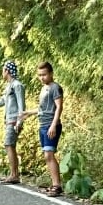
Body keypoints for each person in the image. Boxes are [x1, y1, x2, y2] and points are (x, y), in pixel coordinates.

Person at [19, 61, 64, 197]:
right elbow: (42, 109)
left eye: (44, 74)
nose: (42, 78)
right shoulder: (44, 88)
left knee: (49, 155)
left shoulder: (55, 88)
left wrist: (53, 125)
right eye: (39, 75)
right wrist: (29, 113)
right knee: (47, 156)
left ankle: (57, 185)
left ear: (50, 73)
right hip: (43, 124)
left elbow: (59, 107)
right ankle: (54, 184)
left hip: (51, 125)